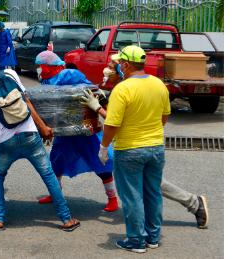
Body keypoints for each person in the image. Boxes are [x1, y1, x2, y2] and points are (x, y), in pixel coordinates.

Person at [85, 56, 209, 229]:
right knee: (150, 182)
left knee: (140, 187)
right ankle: (190, 205)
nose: (107, 69)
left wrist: (98, 109)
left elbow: (116, 122)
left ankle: (139, 234)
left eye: (112, 66)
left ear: (124, 67)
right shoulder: (136, 85)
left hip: (133, 145)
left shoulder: (125, 88)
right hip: (149, 143)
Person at [0, 53, 80, 231]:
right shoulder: (11, 74)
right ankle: (66, 219)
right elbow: (26, 102)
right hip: (30, 136)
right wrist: (43, 128)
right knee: (48, 175)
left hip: (6, 141)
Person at [98, 45, 169, 253]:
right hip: (156, 148)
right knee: (153, 193)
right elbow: (164, 117)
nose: (116, 66)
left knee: (132, 196)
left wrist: (103, 147)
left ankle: (137, 240)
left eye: (119, 63)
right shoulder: (159, 84)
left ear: (126, 65)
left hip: (129, 149)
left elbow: (112, 124)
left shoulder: (123, 89)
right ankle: (153, 237)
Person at [33, 51, 119, 212]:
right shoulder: (48, 84)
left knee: (101, 165)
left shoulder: (79, 82)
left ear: (49, 66)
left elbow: (101, 100)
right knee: (55, 163)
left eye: (40, 66)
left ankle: (112, 199)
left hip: (86, 133)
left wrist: (99, 106)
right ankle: (55, 194)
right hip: (65, 133)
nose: (38, 69)